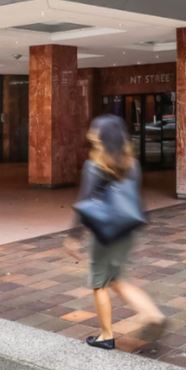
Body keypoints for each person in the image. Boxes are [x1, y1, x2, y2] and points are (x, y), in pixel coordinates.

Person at [66, 114, 166, 350]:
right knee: (117, 278)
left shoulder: (95, 165)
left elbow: (85, 201)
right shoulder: (132, 163)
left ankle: (106, 335)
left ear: (102, 136)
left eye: (95, 130)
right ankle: (151, 313)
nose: (91, 133)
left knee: (100, 281)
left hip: (104, 232)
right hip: (126, 229)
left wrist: (73, 236)